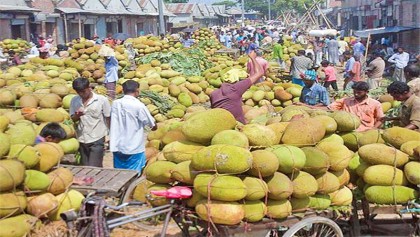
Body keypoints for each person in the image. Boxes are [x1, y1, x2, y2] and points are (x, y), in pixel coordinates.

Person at [110, 80, 157, 173]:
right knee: (133, 175)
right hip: (134, 147)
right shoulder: (138, 105)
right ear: (137, 90)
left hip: (117, 145)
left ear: (123, 91)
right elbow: (151, 123)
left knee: (119, 173)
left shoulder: (115, 103)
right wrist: (155, 126)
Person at [210, 50, 265, 124]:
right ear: (238, 80)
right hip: (236, 127)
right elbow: (260, 73)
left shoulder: (214, 93)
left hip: (220, 125)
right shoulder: (236, 88)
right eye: (243, 79)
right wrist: (252, 58)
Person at [70, 77, 111, 167]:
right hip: (81, 138)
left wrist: (109, 135)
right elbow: (72, 118)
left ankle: (98, 180)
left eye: (83, 91)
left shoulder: (102, 100)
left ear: (89, 88)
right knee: (85, 167)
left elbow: (108, 117)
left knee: (94, 167)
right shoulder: (74, 100)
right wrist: (78, 115)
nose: (81, 94)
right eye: (78, 92)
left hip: (97, 138)